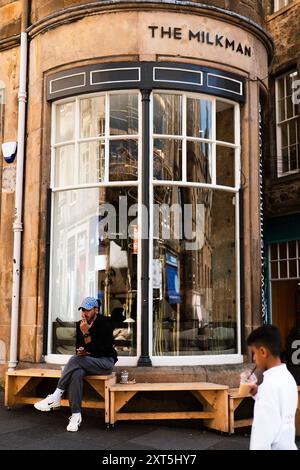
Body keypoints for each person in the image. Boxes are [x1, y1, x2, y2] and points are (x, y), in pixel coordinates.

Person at [34, 297, 118, 432]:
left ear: (96, 310)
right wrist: (82, 351)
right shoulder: (80, 324)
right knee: (76, 372)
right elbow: (79, 346)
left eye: (87, 310)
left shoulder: (105, 324)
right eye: (82, 310)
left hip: (104, 363)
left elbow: (103, 350)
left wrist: (86, 334)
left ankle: (56, 395)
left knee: (74, 360)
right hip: (86, 362)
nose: (84, 313)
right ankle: (76, 415)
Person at [246, 324, 298, 450]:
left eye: (254, 353)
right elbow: (281, 409)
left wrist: (262, 394)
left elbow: (261, 440)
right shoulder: (288, 378)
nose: (253, 359)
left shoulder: (268, 387)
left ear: (263, 352)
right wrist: (258, 394)